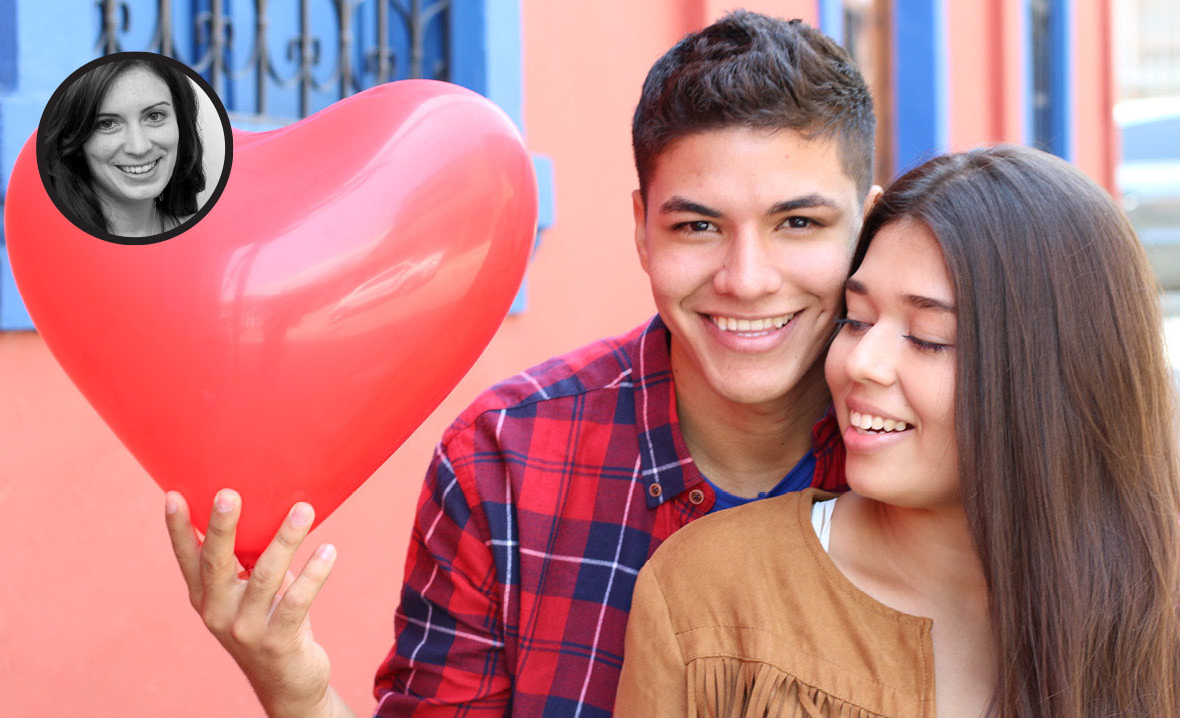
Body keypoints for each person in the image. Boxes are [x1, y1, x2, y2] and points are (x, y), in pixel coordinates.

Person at [163, 11, 880, 716]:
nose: (746, 279)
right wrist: (295, 685)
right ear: (641, 229)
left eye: (798, 224)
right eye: (698, 225)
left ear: (867, 227)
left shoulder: (943, 455)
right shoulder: (503, 462)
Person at [614, 145, 1180, 717]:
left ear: (1061, 372)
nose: (860, 362)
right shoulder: (712, 595)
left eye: (929, 337)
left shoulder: (1158, 603)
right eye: (855, 321)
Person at [39, 55, 205, 238]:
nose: (139, 147)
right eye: (107, 124)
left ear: (180, 124)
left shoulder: (212, 242)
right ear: (76, 142)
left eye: (154, 116)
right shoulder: (48, 247)